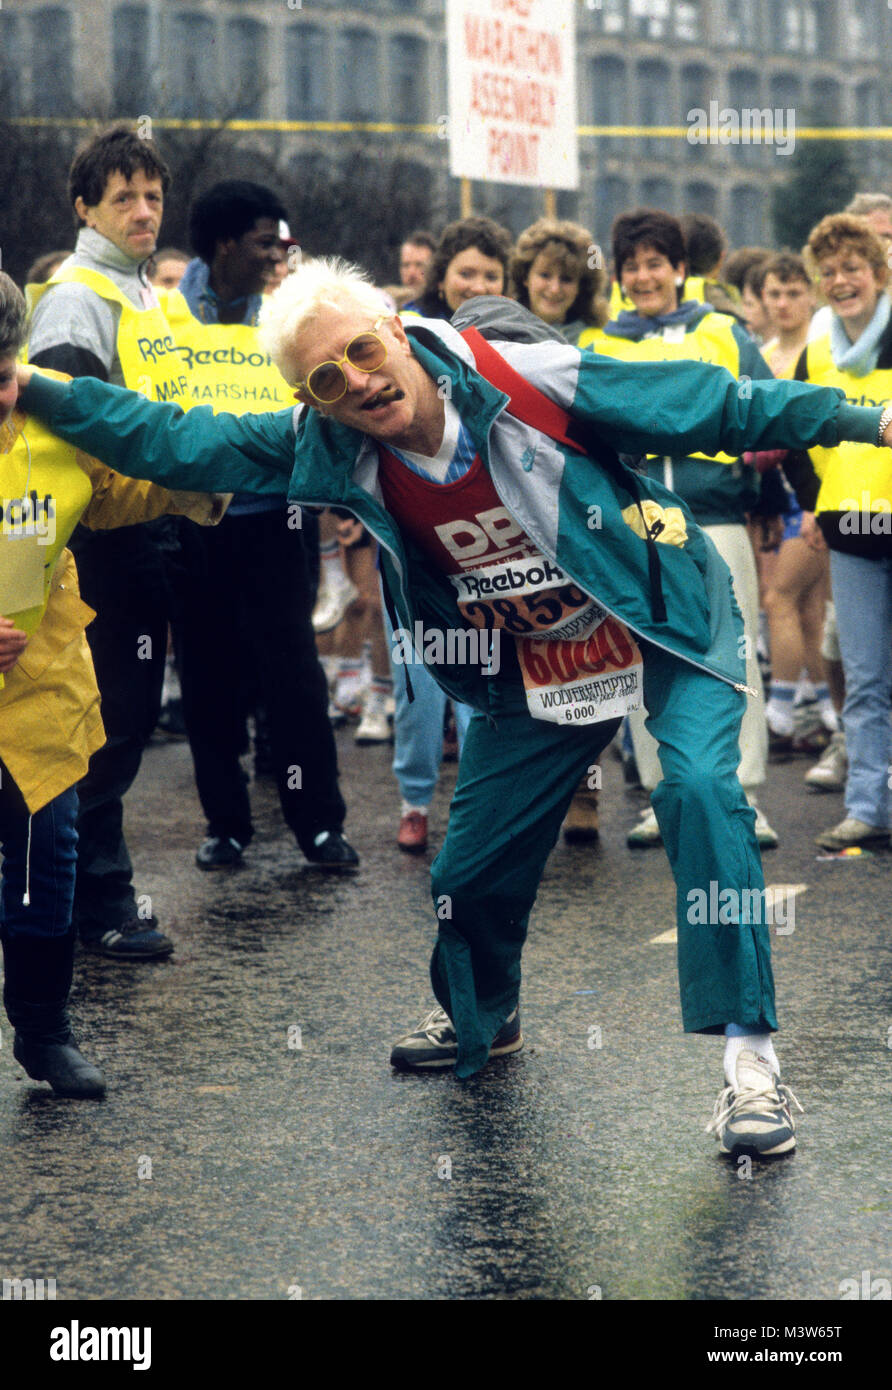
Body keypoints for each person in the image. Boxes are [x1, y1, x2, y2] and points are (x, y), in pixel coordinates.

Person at [17, 256, 892, 1157]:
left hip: (659, 619)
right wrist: (29, 383)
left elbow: (720, 405)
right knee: (467, 876)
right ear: (312, 398)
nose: (357, 381)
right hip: (534, 666)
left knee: (703, 795)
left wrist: (870, 419)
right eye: (327, 378)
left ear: (396, 329)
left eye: (362, 350)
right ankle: (485, 1015)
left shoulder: (528, 379)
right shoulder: (321, 442)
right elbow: (170, 436)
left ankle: (752, 1068)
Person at [0, 272, 224, 1097]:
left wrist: (218, 464)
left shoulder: (52, 422)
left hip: (38, 694)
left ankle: (43, 1031)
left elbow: (120, 487)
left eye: (2, 375)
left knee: (45, 865)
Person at [25, 123, 190, 962]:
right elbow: (73, 452)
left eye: (152, 195)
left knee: (117, 721)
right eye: (122, 196)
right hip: (98, 544)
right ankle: (93, 901)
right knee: (103, 725)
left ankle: (89, 890)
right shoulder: (75, 299)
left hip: (145, 535)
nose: (142, 210)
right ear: (84, 206)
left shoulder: (149, 294)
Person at [165, 180, 358, 870]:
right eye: (263, 241)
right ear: (222, 244)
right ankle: (226, 824)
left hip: (278, 518)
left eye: (282, 239)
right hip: (195, 524)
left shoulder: (288, 312)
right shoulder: (163, 317)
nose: (279, 252)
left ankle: (320, 827)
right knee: (207, 674)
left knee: (294, 673)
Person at [581, 209, 781, 850]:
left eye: (656, 263)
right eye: (632, 265)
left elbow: (766, 408)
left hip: (716, 517)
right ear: (619, 275)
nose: (645, 276)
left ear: (680, 269)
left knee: (734, 652)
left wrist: (751, 463)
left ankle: (745, 797)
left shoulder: (723, 331)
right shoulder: (598, 346)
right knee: (646, 659)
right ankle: (661, 794)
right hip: (636, 526)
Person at [783, 214, 892, 850]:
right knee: (867, 676)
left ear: (878, 274)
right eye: (829, 273)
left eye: (853, 268)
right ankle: (868, 808)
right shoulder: (818, 350)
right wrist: (816, 504)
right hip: (851, 527)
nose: (840, 281)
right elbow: (797, 431)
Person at [509, 216, 608, 841]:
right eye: (544, 275)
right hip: (516, 506)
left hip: (579, 506)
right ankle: (528, 793)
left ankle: (586, 791)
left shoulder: (596, 342)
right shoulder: (500, 336)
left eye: (567, 279)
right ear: (525, 277)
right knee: (527, 649)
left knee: (589, 653)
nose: (553, 287)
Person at [757, 252, 835, 759]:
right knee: (808, 610)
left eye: (793, 293)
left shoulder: (826, 350)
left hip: (816, 500)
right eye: (774, 294)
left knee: (779, 599)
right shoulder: (761, 354)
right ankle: (832, 712)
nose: (783, 304)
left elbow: (828, 437)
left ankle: (780, 712)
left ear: (812, 295)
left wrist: (816, 504)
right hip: (772, 498)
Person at [406, 216, 513, 318]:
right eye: (466, 274)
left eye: (491, 277)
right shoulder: (411, 330)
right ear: (441, 279)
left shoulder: (519, 330)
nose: (479, 288)